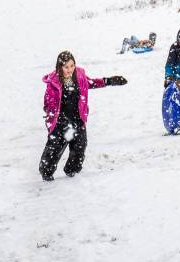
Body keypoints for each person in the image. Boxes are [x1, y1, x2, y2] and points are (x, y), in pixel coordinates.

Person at [39, 50, 127, 181]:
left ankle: (71, 170)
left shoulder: (79, 75)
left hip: (77, 119)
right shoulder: (54, 83)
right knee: (55, 149)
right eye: (66, 67)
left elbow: (90, 83)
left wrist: (109, 81)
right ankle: (46, 172)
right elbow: (48, 105)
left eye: (72, 65)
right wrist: (55, 117)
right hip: (61, 122)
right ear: (60, 67)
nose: (70, 69)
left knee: (80, 146)